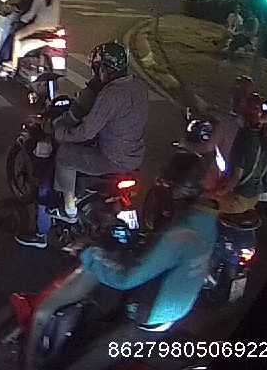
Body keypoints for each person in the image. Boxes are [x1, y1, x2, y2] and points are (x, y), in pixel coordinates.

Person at [58, 151, 219, 370]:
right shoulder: (205, 217)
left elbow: (126, 278)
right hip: (180, 301)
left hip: (152, 313)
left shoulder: (179, 234)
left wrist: (86, 252)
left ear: (177, 189)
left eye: (164, 183)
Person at [16, 42, 147, 248]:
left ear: (104, 68)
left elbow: (85, 131)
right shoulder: (137, 86)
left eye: (97, 69)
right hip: (134, 156)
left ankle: (67, 211)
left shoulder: (110, 94)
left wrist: (60, 134)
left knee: (64, 155)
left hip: (110, 158)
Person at [0, 0, 61, 74]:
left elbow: (31, 14)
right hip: (53, 29)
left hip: (38, 28)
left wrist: (22, 20)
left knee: (16, 37)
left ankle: (13, 64)